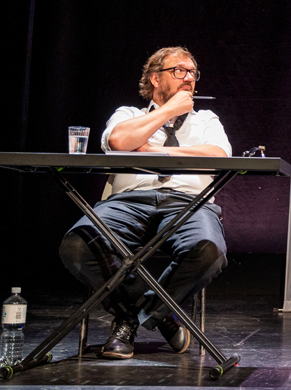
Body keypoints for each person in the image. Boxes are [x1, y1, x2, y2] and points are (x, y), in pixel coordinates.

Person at [59, 46, 231, 359]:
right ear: (155, 78)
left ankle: (130, 319)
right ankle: (159, 314)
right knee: (78, 245)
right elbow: (119, 141)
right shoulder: (129, 115)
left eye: (193, 72)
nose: (189, 78)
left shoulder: (206, 119)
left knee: (209, 250)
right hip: (128, 202)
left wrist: (152, 152)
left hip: (189, 204)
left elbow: (218, 156)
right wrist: (169, 110)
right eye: (179, 70)